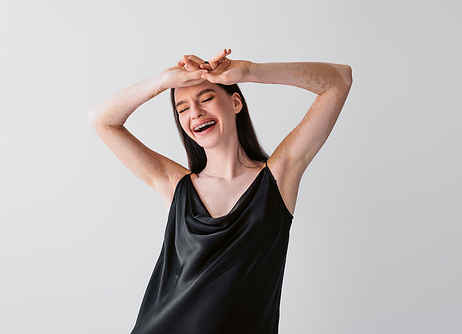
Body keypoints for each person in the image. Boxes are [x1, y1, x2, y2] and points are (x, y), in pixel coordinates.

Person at [89, 49, 352, 334]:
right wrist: (162, 82)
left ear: (235, 102)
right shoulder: (176, 185)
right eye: (183, 109)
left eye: (206, 98)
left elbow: (339, 81)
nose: (196, 113)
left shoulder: (277, 178)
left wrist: (250, 71)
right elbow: (102, 121)